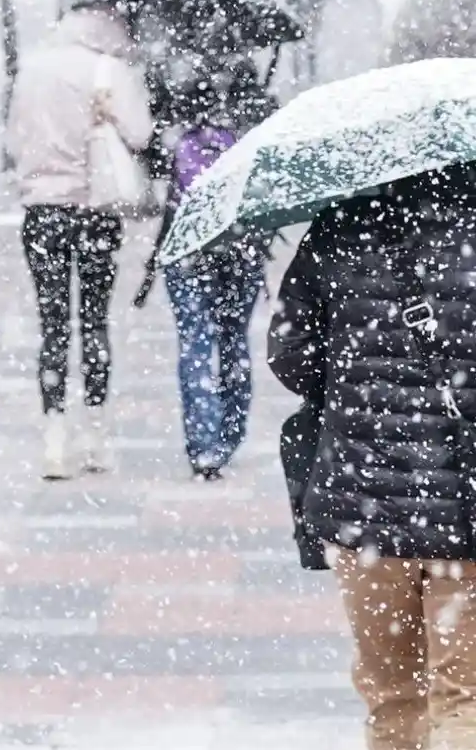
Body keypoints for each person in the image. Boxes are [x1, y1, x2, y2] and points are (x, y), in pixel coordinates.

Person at [270, 161, 476, 750]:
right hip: (466, 508)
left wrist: (358, 385)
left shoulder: (342, 225)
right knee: (465, 697)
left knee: (391, 695)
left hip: (364, 508)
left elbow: (291, 358)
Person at [8, 3, 154, 480]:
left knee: (52, 325)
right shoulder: (108, 69)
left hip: (42, 212)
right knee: (93, 323)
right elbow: (142, 134)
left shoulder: (33, 70)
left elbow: (13, 143)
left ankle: (53, 439)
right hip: (94, 212)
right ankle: (94, 436)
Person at [153, 63, 276, 481]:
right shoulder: (253, 98)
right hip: (241, 246)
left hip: (186, 243)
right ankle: (230, 431)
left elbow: (151, 163)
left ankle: (204, 444)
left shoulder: (171, 86)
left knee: (195, 341)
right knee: (234, 340)